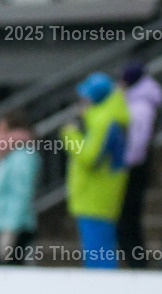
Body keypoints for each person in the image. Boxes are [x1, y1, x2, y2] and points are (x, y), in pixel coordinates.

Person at [61, 72, 130, 268]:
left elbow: (90, 157)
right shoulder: (107, 118)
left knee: (99, 256)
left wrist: (70, 135)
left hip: (95, 197)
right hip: (97, 196)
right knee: (99, 252)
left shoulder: (103, 122)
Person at [117, 61, 162, 269]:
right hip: (135, 166)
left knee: (128, 220)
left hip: (134, 169)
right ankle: (135, 261)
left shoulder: (141, 107)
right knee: (127, 220)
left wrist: (124, 164)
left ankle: (138, 262)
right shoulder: (137, 102)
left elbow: (137, 144)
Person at [0, 110, 40, 265]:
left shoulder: (23, 156)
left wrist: (11, 229)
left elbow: (21, 194)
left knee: (11, 275)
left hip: (15, 227)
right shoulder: (9, 155)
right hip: (0, 224)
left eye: (1, 129)